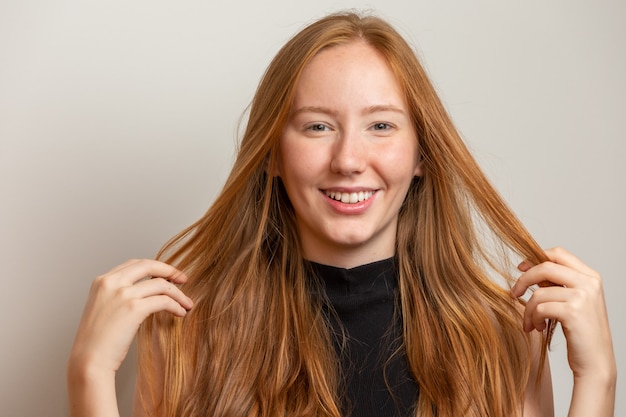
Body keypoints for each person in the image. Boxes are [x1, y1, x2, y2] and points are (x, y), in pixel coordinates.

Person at [67, 11, 616, 417]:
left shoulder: (502, 336)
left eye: (381, 125)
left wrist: (597, 381)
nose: (349, 159)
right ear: (272, 156)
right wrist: (89, 376)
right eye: (317, 126)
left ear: (422, 153)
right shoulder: (188, 334)